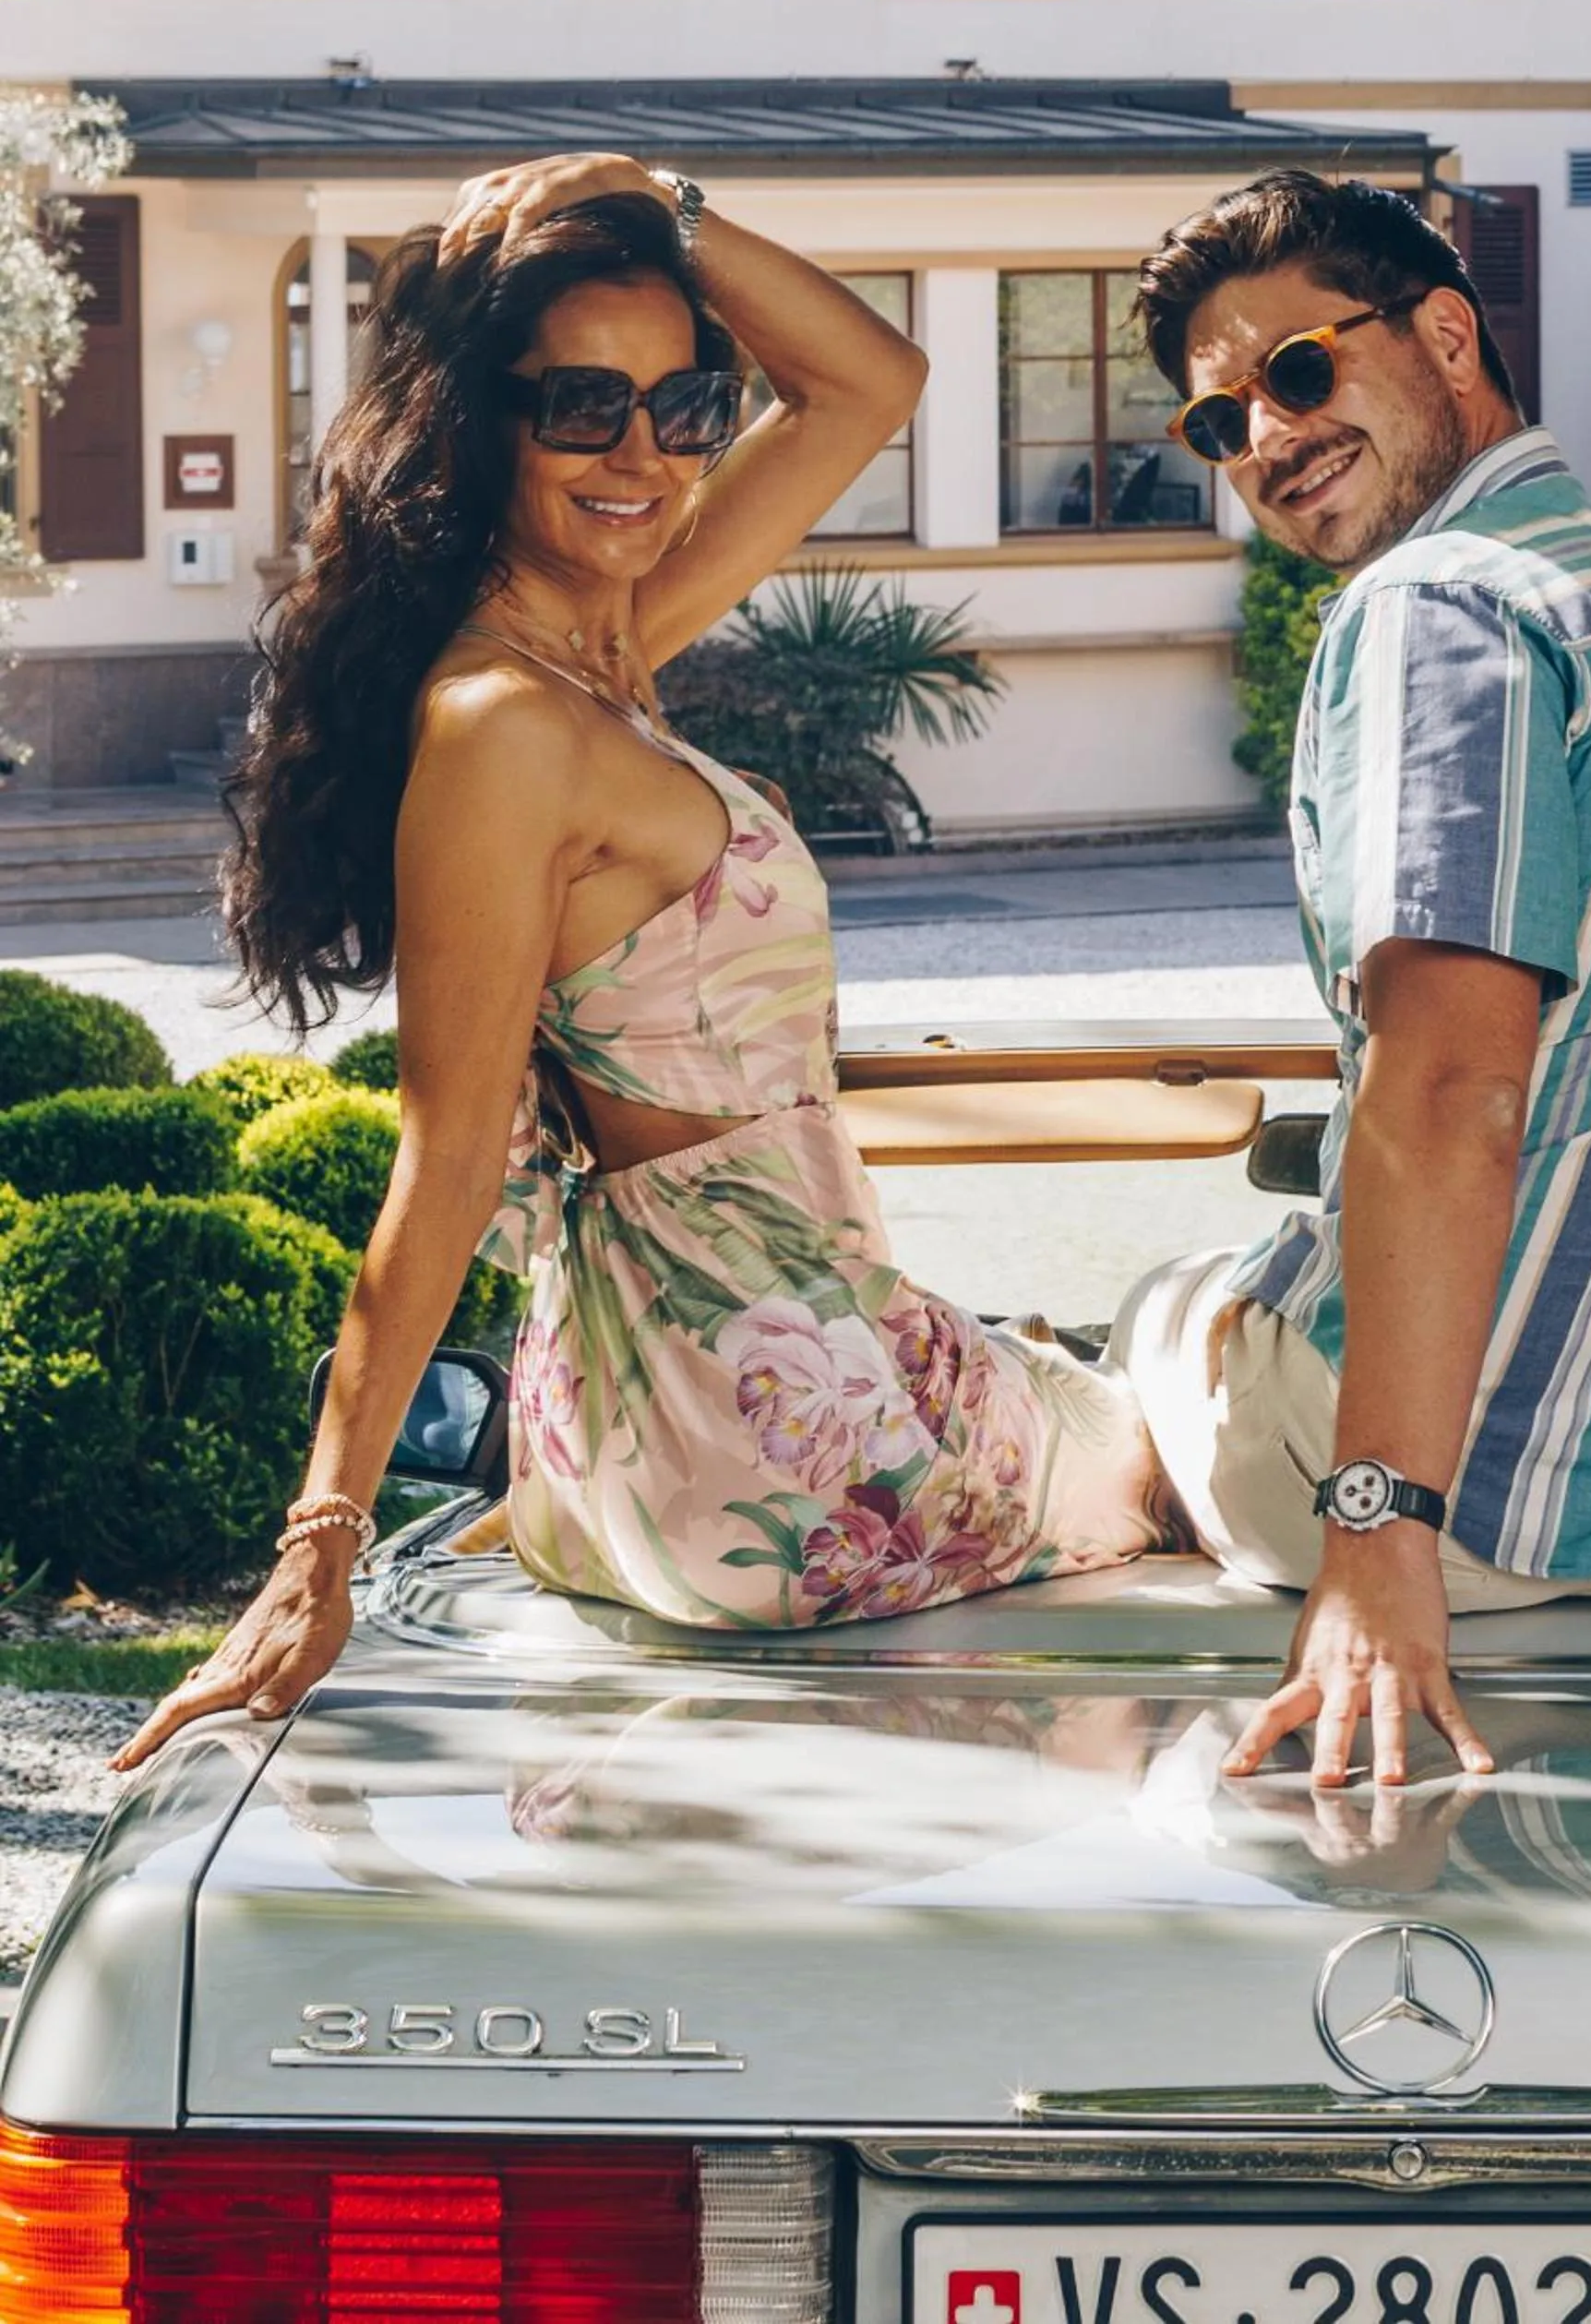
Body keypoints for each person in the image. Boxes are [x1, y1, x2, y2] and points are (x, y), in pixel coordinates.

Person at [114, 157, 1168, 1769]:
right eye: (583, 407)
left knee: (1187, 1356)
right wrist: (317, 1544)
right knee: (1218, 1370)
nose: (646, 455)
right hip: (770, 1433)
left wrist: (659, 203)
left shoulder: (600, 647)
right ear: (477, 424)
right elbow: (448, 1150)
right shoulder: (505, 731)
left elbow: (871, 380)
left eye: (686, 409)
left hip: (741, 1396)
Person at [1113, 172, 1591, 1791]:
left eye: (1299, 372)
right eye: (1217, 425)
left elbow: (1452, 1088)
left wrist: (1378, 1532)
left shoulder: (1433, 610)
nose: (1265, 439)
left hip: (1490, 1516)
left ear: (1447, 332)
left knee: (1149, 1321)